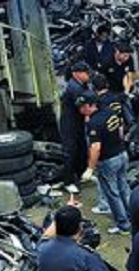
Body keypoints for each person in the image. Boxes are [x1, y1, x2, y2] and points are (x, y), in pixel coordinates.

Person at [78, 93, 131, 234]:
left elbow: (95, 147)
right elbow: (120, 129)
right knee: (124, 189)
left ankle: (123, 225)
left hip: (108, 161)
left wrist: (90, 168)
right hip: (122, 154)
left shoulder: (94, 123)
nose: (80, 110)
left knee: (112, 194)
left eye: (83, 107)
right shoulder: (110, 111)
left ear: (91, 106)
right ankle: (131, 217)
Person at [59, 62, 94, 191]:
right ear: (76, 74)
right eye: (86, 73)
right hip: (69, 123)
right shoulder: (73, 87)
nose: (88, 75)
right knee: (70, 151)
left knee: (82, 148)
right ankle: (68, 182)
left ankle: (81, 174)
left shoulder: (83, 84)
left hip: (78, 122)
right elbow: (83, 108)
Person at [99, 42, 136, 128]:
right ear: (117, 52)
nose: (126, 58)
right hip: (111, 90)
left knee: (127, 107)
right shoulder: (107, 62)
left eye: (128, 56)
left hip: (124, 88)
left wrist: (126, 91)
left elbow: (130, 75)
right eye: (125, 56)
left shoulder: (129, 60)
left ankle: (131, 123)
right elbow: (101, 78)